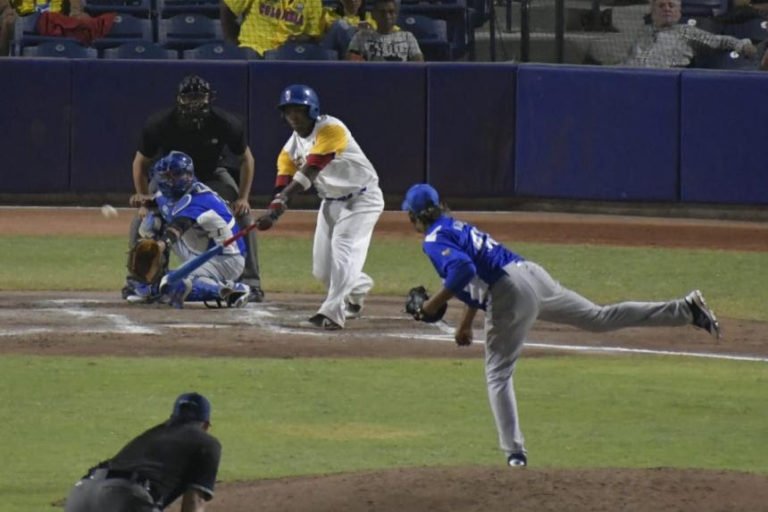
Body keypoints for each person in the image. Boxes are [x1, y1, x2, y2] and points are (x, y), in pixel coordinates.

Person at [401, 183, 721, 468]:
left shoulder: (433, 239)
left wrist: (430, 307)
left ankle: (515, 455)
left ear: (415, 216)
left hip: (509, 291)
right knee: (599, 317)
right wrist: (466, 323)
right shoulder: (455, 226)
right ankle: (686, 310)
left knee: (498, 374)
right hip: (530, 274)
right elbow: (473, 273)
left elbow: (463, 271)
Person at [256, 84, 384, 330]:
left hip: (363, 198)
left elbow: (312, 168)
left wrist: (283, 199)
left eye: (299, 110)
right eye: (289, 111)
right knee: (323, 270)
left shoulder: (331, 129)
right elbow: (282, 183)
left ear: (312, 110)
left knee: (343, 247)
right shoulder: (290, 149)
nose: (294, 116)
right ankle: (358, 287)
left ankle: (332, 313)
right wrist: (273, 211)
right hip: (331, 202)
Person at [126, 74, 264, 303]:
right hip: (171, 176)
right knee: (143, 220)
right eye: (189, 98)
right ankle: (139, 281)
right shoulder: (160, 124)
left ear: (210, 98)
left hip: (212, 173)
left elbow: (247, 159)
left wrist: (243, 197)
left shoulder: (226, 123)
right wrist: (143, 199)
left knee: (244, 217)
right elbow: (140, 163)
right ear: (178, 99)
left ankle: (251, 283)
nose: (194, 103)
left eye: (199, 97)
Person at [129, 151, 251, 309]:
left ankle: (232, 290)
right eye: (164, 177)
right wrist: (144, 200)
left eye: (172, 176)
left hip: (225, 258)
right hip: (199, 248)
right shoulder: (172, 193)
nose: (167, 181)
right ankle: (153, 283)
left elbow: (178, 228)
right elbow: (158, 202)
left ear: (186, 176)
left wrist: (160, 245)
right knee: (151, 224)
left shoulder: (198, 199)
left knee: (173, 284)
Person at [64, 392, 221, 512]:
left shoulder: (153, 433)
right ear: (206, 425)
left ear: (172, 418)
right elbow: (194, 502)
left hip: (81, 493)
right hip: (124, 497)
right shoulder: (207, 443)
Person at [623, 0, 757, 67]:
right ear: (652, 12)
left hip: (664, 81)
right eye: (661, 5)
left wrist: (742, 45)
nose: (667, 9)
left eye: (671, 6)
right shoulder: (643, 32)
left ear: (678, 12)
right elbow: (628, 59)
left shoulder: (685, 31)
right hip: (631, 79)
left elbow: (718, 41)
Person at [220, 0, 325, 58]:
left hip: (286, 55)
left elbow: (311, 34)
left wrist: (298, 40)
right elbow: (227, 9)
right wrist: (232, 44)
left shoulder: (313, 2)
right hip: (252, 49)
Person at [0, 0, 87, 56]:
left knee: (83, 20)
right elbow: (6, 7)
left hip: (59, 27)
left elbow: (76, 10)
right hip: (25, 24)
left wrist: (75, 13)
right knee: (8, 20)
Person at [346, 0, 423, 61]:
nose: (387, 16)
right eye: (382, 12)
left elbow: (419, 65)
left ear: (396, 15)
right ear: (373, 15)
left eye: (391, 12)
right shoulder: (361, 37)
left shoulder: (408, 37)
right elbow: (351, 65)